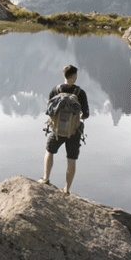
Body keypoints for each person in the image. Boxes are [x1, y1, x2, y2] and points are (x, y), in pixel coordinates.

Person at [39, 64, 89, 194]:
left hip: (56, 130)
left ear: (64, 76)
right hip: (74, 131)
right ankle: (66, 189)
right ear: (75, 77)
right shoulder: (80, 93)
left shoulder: (55, 90)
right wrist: (80, 116)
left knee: (49, 151)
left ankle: (45, 178)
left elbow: (49, 110)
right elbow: (86, 114)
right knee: (71, 160)